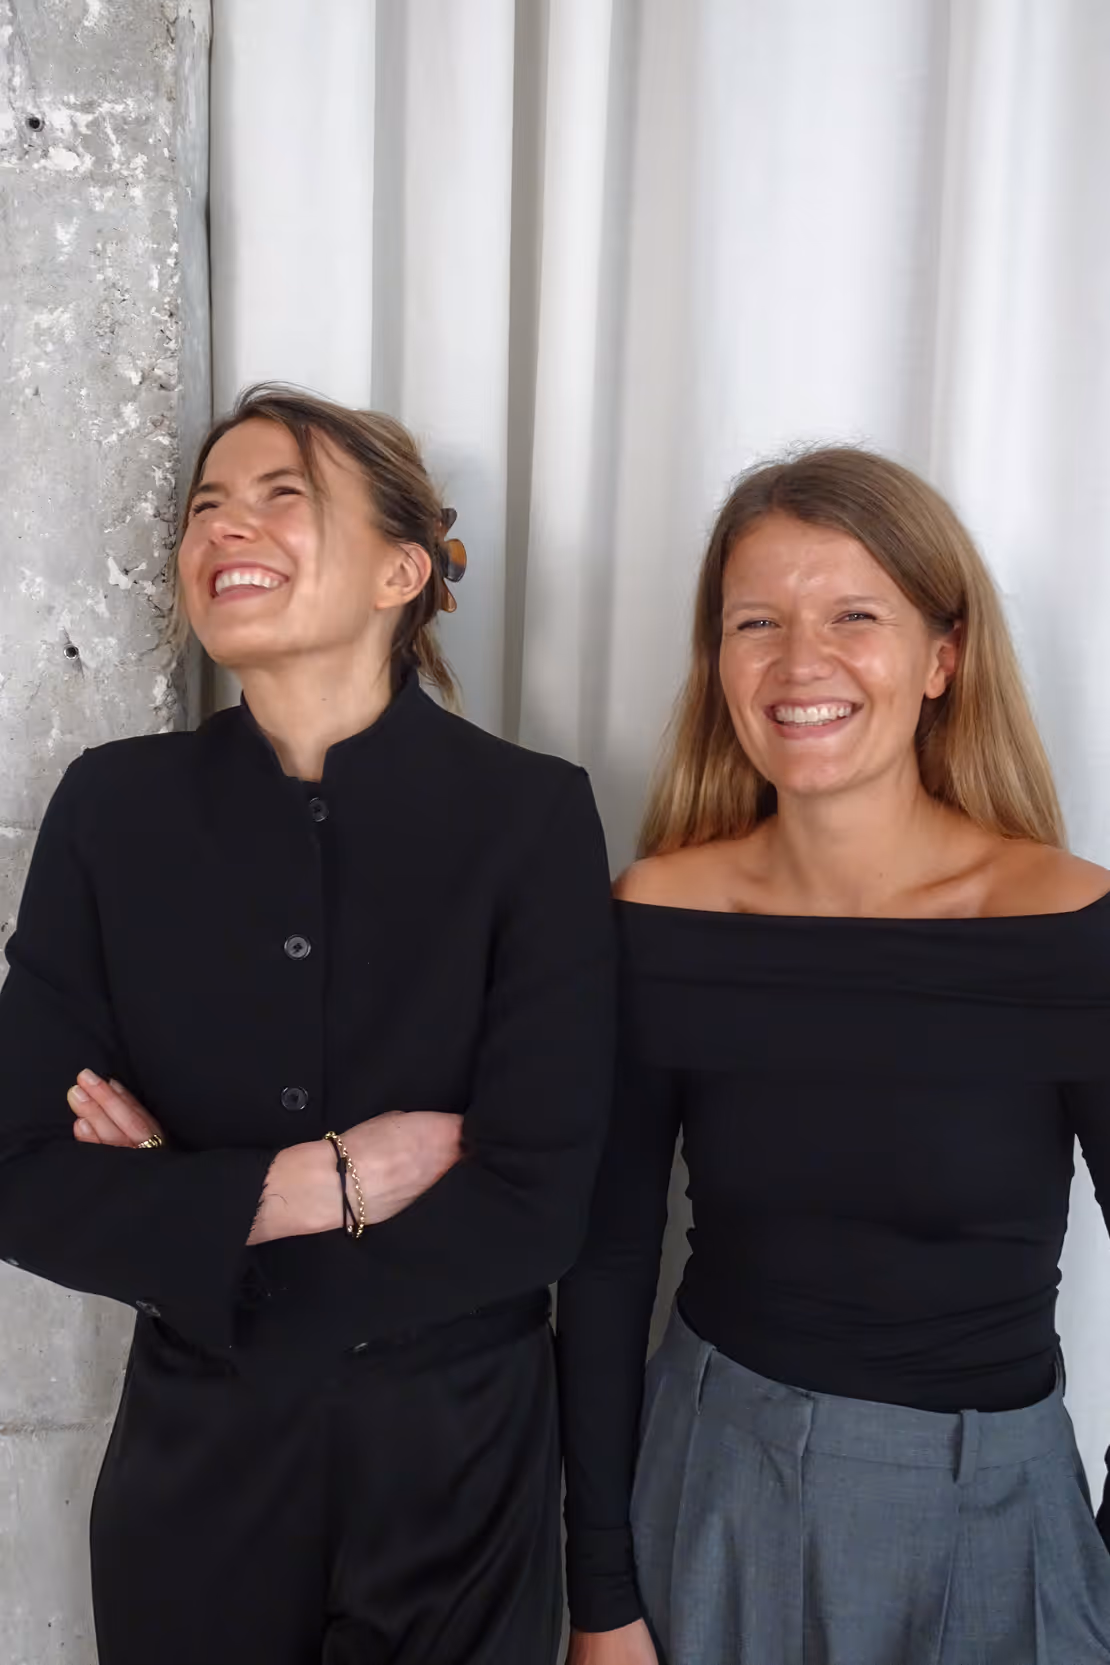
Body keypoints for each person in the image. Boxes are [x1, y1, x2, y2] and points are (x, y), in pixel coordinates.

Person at [0, 385, 615, 1665]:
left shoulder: (531, 817)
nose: (229, 527)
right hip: (195, 1471)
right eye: (207, 506)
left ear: (404, 569)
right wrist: (304, 1186)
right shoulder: (111, 812)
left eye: (283, 496)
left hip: (460, 1471)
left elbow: (542, 1199)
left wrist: (183, 1206)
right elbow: (17, 1175)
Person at [557, 446, 1110, 1664]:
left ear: (942, 658)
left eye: (854, 616)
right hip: (708, 1495)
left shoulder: (1070, 932)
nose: (800, 663)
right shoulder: (655, 918)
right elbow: (604, 1262)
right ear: (719, 663)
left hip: (993, 1519)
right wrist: (602, 1593)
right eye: (757, 621)